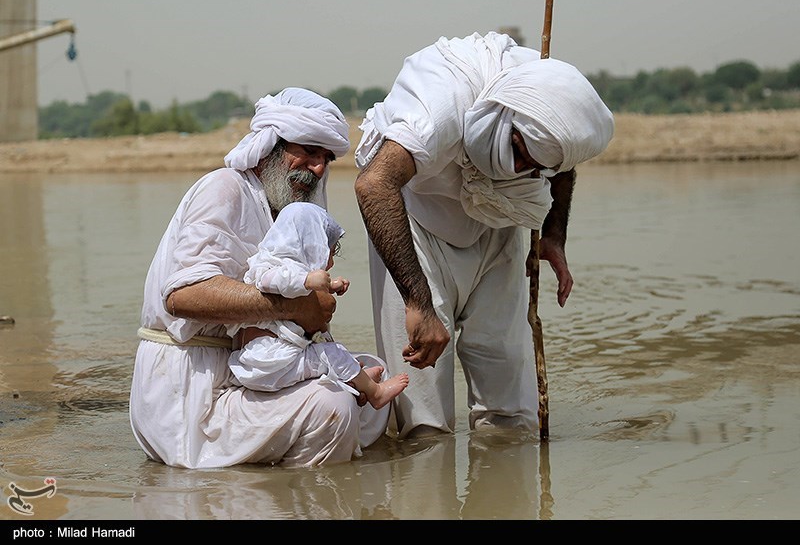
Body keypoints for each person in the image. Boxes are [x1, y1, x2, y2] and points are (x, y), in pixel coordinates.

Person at [353, 32, 615, 438]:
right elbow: (374, 184)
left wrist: (553, 236)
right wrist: (419, 303)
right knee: (423, 417)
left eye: (532, 167)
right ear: (503, 117)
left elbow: (561, 163)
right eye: (518, 151)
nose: (519, 170)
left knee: (511, 406)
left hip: (498, 222)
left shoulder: (547, 100)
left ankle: (506, 492)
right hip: (415, 225)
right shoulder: (439, 107)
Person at [129, 87, 390, 469]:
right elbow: (183, 296)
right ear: (270, 146)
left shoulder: (282, 210)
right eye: (307, 151)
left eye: (325, 158)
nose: (317, 168)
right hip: (188, 388)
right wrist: (297, 306)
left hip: (246, 368)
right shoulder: (225, 188)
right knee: (332, 408)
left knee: (372, 389)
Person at [226, 201, 410, 409]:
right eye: (328, 252)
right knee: (332, 352)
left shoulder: (286, 266)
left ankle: (354, 379)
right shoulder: (271, 265)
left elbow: (295, 287)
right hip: (268, 365)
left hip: (274, 361)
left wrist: (331, 285)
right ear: (309, 243)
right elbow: (271, 281)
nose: (330, 262)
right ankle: (374, 392)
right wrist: (306, 280)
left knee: (326, 347)